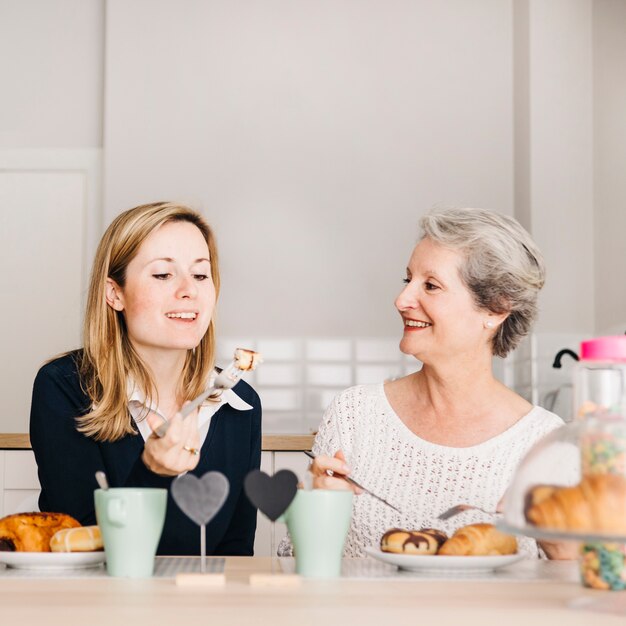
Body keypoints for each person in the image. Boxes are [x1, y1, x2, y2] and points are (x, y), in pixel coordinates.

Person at [300, 207, 576, 559]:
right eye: (407, 280)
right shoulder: (354, 415)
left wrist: (560, 547)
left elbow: (573, 593)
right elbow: (300, 567)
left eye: (430, 285)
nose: (402, 300)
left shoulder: (545, 441)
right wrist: (317, 512)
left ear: (495, 309)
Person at [30, 202, 261, 556]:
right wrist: (152, 473)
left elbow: (235, 554)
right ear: (115, 293)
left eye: (201, 275)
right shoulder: (64, 387)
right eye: (163, 275)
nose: (189, 290)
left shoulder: (239, 403)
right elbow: (80, 546)